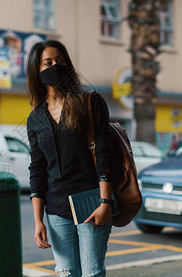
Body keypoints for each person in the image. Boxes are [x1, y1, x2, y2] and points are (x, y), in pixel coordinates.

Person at [26, 39, 115, 277]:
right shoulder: (35, 118)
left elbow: (104, 153)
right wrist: (38, 221)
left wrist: (106, 203)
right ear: (37, 70)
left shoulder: (89, 102)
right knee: (66, 273)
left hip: (90, 200)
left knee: (92, 273)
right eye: (48, 62)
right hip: (55, 209)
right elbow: (37, 169)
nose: (56, 65)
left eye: (60, 60)